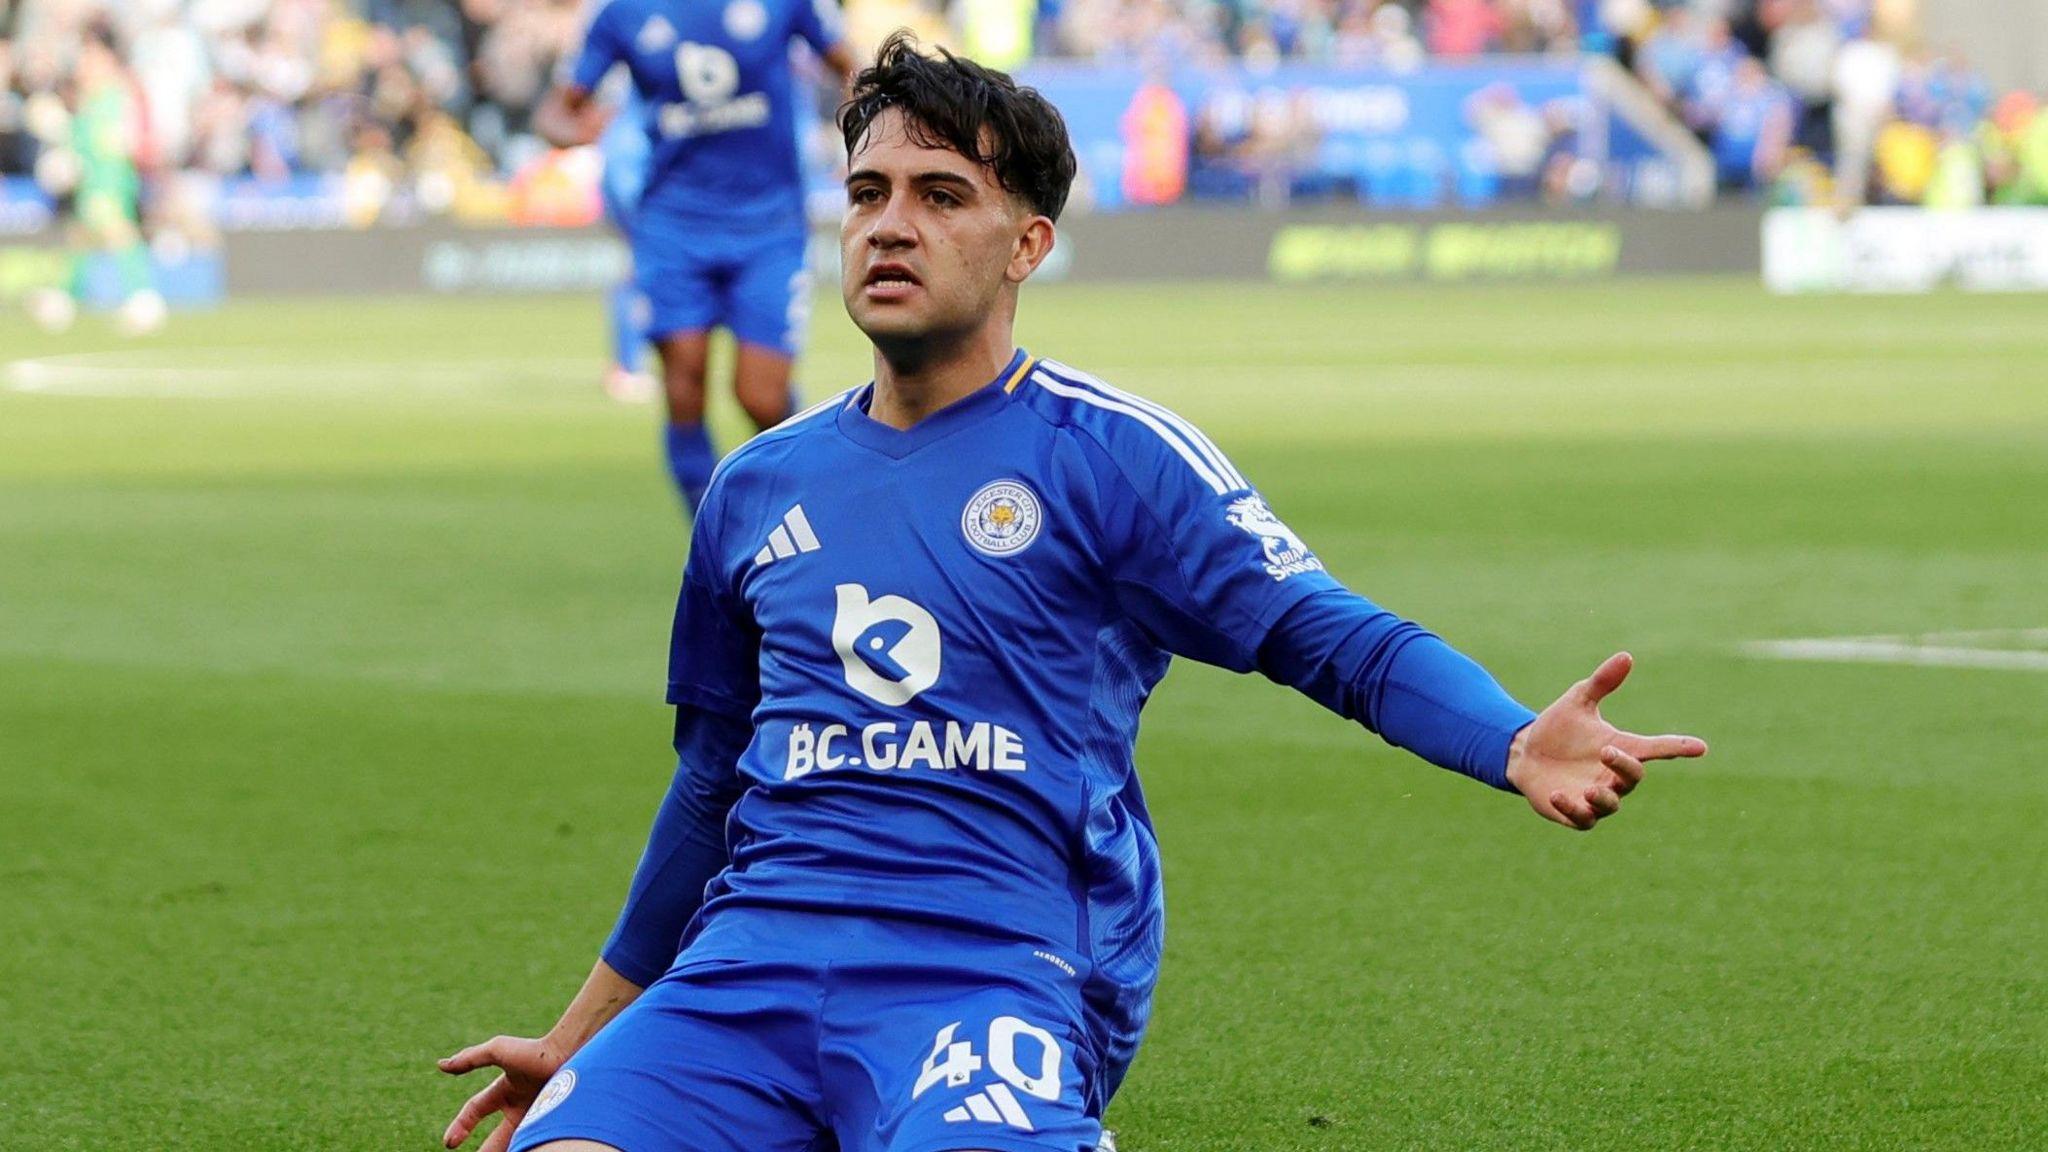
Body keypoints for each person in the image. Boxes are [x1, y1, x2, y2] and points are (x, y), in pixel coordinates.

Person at [440, 35, 1708, 1152]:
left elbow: (1330, 639)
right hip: (744, 972)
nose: (890, 225)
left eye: (942, 197)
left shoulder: (1108, 456)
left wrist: (1504, 738)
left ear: (1026, 244)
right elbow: (711, 784)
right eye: (868, 194)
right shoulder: (757, 487)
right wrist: (578, 1039)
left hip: (984, 966)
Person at [535, 0, 856, 513]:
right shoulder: (623, 14)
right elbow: (557, 109)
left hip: (768, 223)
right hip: (673, 227)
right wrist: (574, 130)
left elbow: (849, 66)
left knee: (761, 397)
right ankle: (713, 543)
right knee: (684, 388)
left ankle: (812, 510)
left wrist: (863, 143)